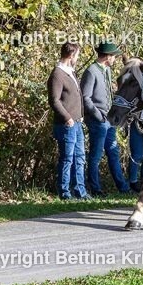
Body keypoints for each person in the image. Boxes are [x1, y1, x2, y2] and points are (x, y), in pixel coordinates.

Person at [81, 41, 131, 196]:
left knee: (113, 152)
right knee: (95, 155)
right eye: (113, 56)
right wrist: (99, 116)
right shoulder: (91, 71)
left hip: (109, 119)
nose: (115, 59)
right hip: (98, 120)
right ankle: (95, 189)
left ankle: (122, 187)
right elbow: (86, 97)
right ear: (107, 57)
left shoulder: (107, 70)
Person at [48, 42, 89, 200]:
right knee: (67, 157)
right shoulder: (57, 74)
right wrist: (67, 118)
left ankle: (80, 190)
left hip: (78, 122)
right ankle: (64, 191)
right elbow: (54, 100)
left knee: (80, 156)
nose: (78, 58)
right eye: (77, 55)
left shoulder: (71, 72)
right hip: (66, 124)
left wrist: (80, 116)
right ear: (71, 55)